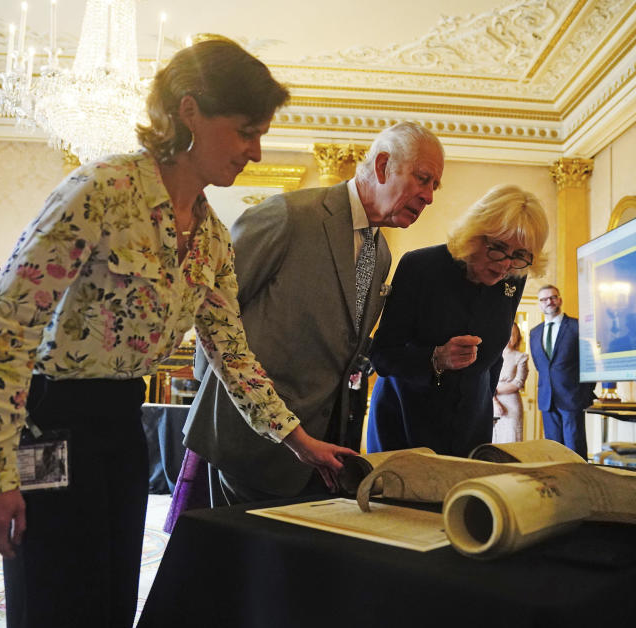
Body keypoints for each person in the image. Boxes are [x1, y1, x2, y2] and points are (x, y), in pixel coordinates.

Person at [0, 38, 352, 628]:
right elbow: (3, 330)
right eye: (247, 131)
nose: (256, 150)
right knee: (52, 604)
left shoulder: (214, 236)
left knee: (111, 604)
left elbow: (232, 353)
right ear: (189, 111)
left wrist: (297, 440)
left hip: (122, 424)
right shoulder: (100, 190)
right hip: (47, 420)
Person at [183, 121, 443, 504]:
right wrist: (221, 408)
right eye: (423, 179)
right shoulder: (288, 216)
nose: (429, 197)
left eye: (434, 186)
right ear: (383, 165)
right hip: (247, 447)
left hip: (319, 456)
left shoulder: (382, 254)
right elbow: (215, 313)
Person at [366, 184, 548, 456]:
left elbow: (494, 358)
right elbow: (382, 356)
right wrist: (436, 358)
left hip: (471, 423)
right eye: (497, 248)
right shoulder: (421, 267)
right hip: (406, 416)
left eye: (520, 255)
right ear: (475, 235)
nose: (504, 265)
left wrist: (486, 402)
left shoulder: (512, 278)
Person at [529, 285, 595, 458]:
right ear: (539, 304)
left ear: (560, 299)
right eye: (543, 299)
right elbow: (541, 366)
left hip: (572, 398)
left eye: (552, 297)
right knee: (553, 449)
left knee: (575, 448)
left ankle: (579, 483)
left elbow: (589, 364)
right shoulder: (534, 333)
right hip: (547, 399)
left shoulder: (577, 327)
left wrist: (584, 395)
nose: (548, 302)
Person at [493, 322, 529, 443]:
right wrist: (494, 400)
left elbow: (518, 383)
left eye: (512, 334)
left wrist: (494, 390)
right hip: (492, 403)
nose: (509, 338)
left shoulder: (521, 357)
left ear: (517, 337)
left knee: (511, 440)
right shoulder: (493, 357)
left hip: (511, 404)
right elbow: (487, 382)